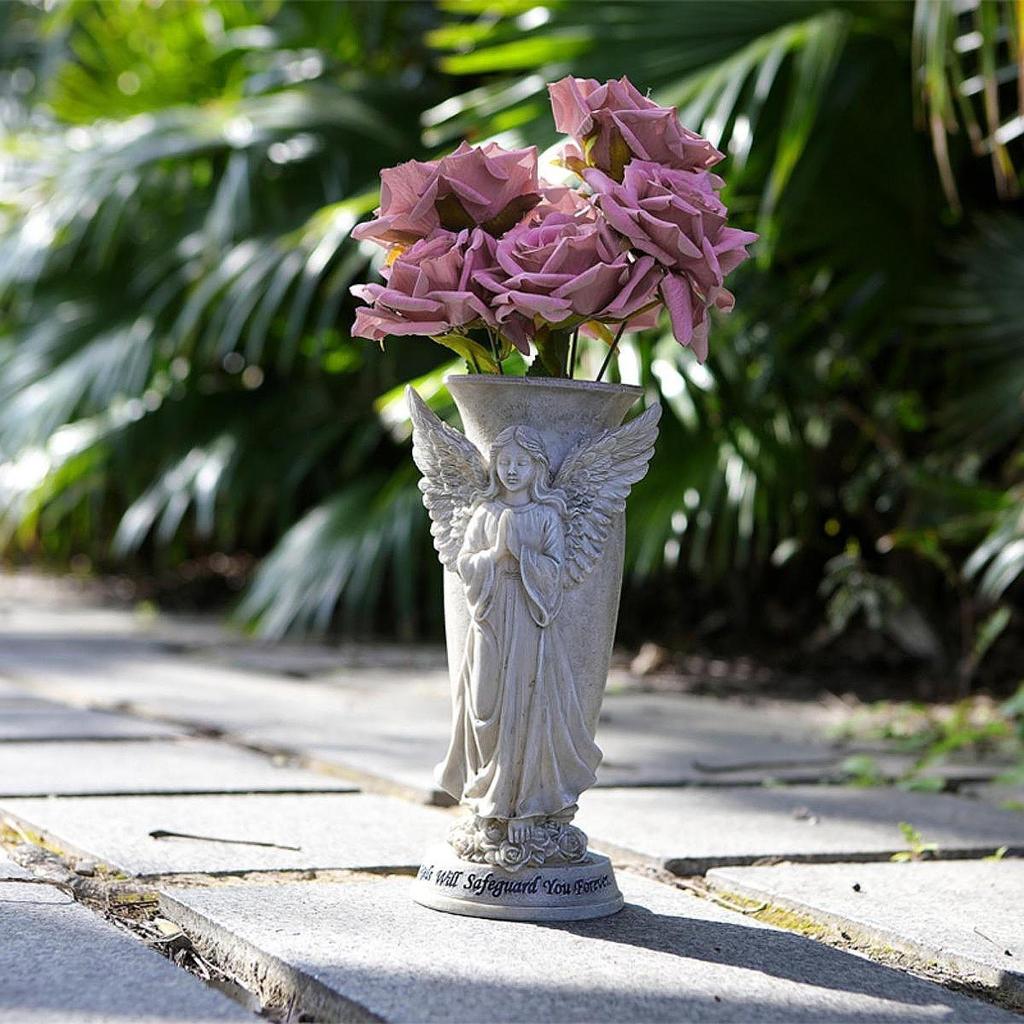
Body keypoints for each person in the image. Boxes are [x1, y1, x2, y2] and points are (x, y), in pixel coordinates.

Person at [435, 425, 602, 843]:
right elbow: (466, 563)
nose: (511, 470)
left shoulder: (546, 516)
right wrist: (493, 556)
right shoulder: (484, 513)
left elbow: (555, 570)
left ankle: (525, 803)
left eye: (521, 463)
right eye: (505, 462)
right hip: (490, 617)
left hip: (529, 621)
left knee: (524, 706)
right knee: (484, 702)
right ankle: (485, 797)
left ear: (537, 468)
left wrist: (523, 556)